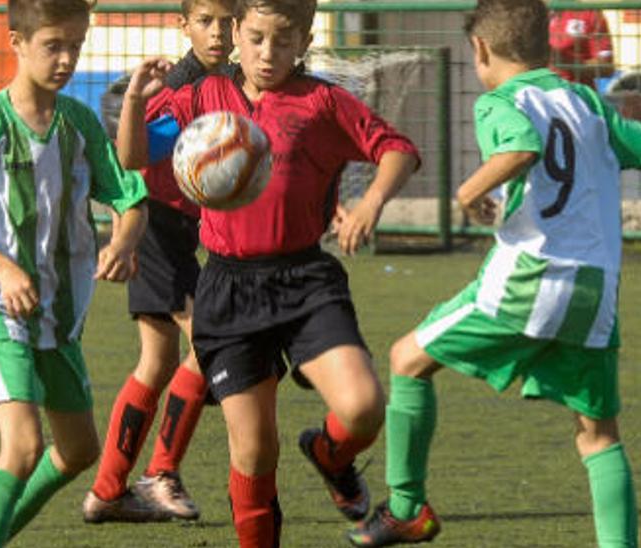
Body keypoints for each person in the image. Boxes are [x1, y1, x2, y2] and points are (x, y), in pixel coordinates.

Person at [347, 0, 641, 546]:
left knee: (407, 358)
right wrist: (640, 114)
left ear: (480, 49)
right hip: (594, 287)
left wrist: (467, 192)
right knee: (598, 436)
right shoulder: (588, 103)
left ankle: (407, 507)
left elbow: (522, 148)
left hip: (530, 277)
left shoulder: (502, 100)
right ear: (545, 47)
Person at [118, 0, 421, 544]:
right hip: (228, 288)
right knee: (255, 452)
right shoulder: (202, 96)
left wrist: (373, 201)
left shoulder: (322, 101)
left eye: (283, 40)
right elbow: (133, 156)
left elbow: (397, 148)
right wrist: (134, 103)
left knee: (363, 406)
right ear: (238, 31)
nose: (267, 52)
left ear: (304, 40)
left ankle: (330, 454)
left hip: (306, 280)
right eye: (256, 37)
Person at [0, 0, 150, 545]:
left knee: (78, 451)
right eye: (54, 45)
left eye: (76, 45)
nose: (67, 58)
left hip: (56, 312)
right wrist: (3, 268)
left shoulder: (78, 126)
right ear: (17, 43)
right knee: (24, 445)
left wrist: (124, 242)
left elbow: (131, 200)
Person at [82, 0, 237, 524]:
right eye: (207, 21)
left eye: (229, 21)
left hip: (187, 229)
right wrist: (122, 235)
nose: (219, 32)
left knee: (157, 361)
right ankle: (160, 474)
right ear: (184, 26)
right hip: (154, 224)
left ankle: (107, 490)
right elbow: (136, 156)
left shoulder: (235, 83)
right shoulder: (177, 91)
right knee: (209, 340)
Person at [549, 7, 614, 89]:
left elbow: (606, 68)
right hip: (537, 94)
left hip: (575, 94)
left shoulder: (589, 14)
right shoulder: (531, 12)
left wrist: (566, 62)